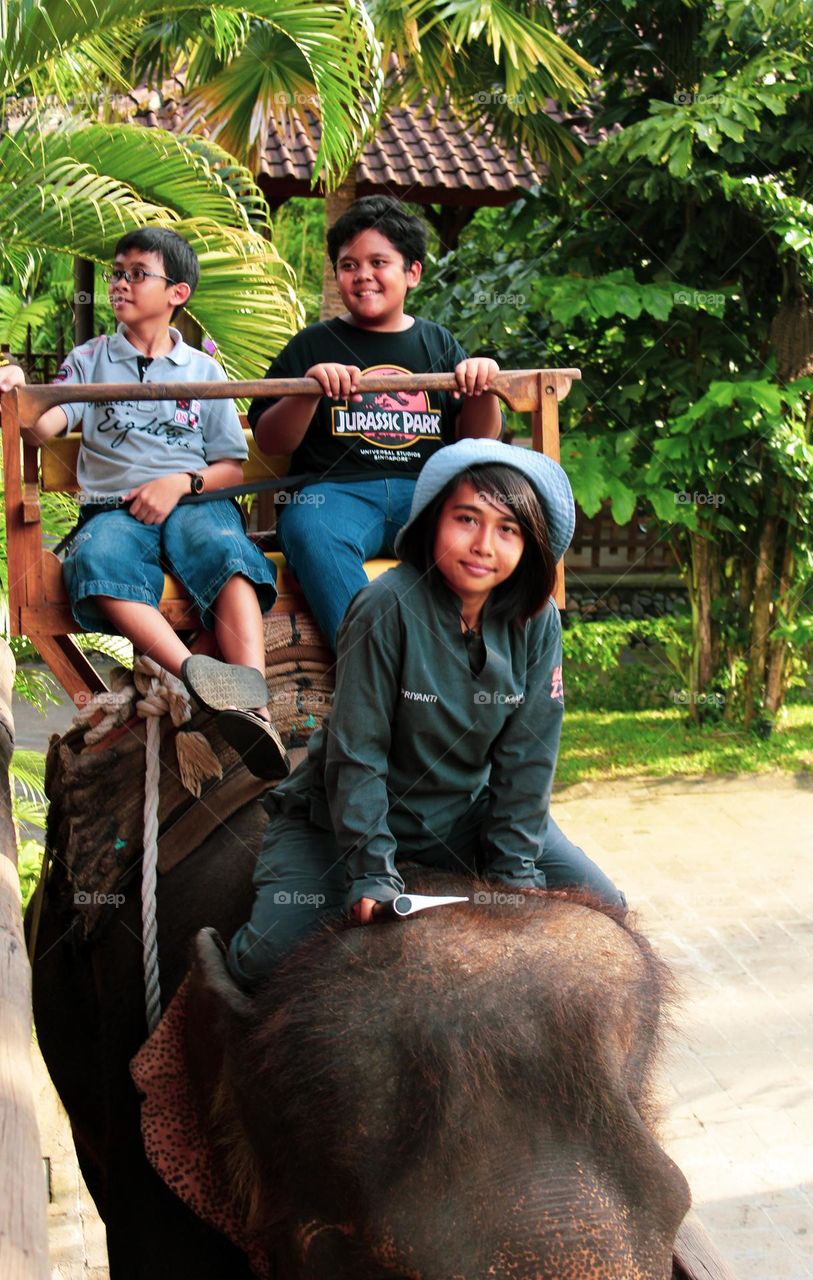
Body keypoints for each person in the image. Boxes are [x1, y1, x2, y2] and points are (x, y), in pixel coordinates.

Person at [227, 437, 624, 988]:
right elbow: (357, 752)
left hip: (467, 816)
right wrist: (371, 874)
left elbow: (527, 760)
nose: (484, 544)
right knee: (267, 960)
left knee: (606, 911)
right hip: (337, 820)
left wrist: (515, 876)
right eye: (468, 518)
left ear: (529, 545)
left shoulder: (537, 624)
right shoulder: (384, 605)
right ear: (435, 520)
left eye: (507, 529)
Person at [19, 227, 287, 777]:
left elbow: (230, 469)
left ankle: (255, 706)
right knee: (95, 562)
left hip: (194, 501)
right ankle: (194, 673)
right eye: (117, 273)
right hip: (113, 508)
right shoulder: (90, 359)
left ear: (177, 293)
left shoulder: (203, 371)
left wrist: (179, 485)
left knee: (225, 550)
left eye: (137, 274)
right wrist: (20, 395)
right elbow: (44, 425)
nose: (119, 284)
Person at [249, 195, 502, 650]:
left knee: (486, 530)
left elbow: (477, 440)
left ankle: (468, 662)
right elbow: (270, 441)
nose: (362, 275)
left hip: (425, 496)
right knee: (310, 529)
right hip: (334, 494)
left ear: (412, 273)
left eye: (378, 262)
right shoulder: (312, 344)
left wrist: (483, 387)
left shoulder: (438, 342)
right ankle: (373, 670)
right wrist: (308, 391)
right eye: (348, 265)